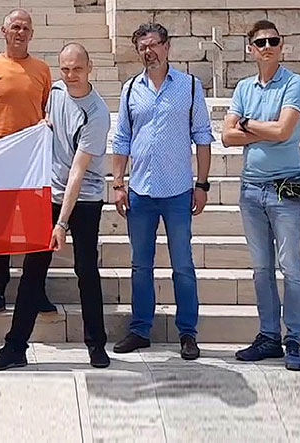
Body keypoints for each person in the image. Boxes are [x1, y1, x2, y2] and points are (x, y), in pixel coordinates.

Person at [0, 42, 111, 371]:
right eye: (65, 69)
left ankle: (96, 344)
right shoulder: (55, 92)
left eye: (77, 69)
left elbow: (78, 171)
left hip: (84, 199)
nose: (71, 75)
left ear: (90, 67)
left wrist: (62, 223)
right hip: (49, 195)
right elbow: (47, 127)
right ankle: (15, 347)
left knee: (86, 270)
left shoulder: (97, 113)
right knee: (33, 270)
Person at [110, 22, 213, 361]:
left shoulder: (189, 87)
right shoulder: (130, 89)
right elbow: (122, 138)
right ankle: (140, 329)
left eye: (154, 45)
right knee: (141, 265)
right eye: (142, 47)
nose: (149, 51)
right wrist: (118, 183)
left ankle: (188, 332)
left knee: (182, 264)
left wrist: (202, 184)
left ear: (167, 47)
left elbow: (202, 137)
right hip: (140, 191)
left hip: (178, 191)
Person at [222, 20, 300, 372]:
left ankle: (294, 338)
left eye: (273, 41)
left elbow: (284, 130)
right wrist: (265, 130)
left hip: (285, 187)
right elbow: (226, 137)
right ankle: (269, 335)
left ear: (281, 45)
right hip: (251, 189)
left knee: (290, 267)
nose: (267, 47)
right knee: (261, 268)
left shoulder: (294, 83)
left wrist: (247, 124)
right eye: (261, 42)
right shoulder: (244, 88)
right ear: (250, 49)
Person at [0, 9, 53, 315]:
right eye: (15, 27)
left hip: (31, 159)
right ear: (3, 32)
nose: (20, 32)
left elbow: (47, 111)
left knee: (36, 225)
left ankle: (35, 289)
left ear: (32, 34)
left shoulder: (42, 69)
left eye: (25, 28)